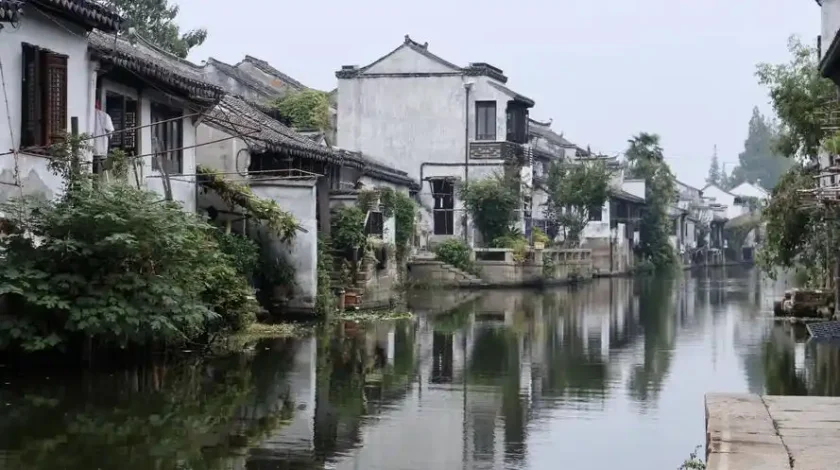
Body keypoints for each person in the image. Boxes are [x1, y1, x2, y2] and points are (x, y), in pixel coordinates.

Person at [93, 100, 114, 171]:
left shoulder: (85, 114)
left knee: (91, 166)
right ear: (98, 105)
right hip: (101, 148)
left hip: (89, 149)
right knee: (105, 168)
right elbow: (110, 132)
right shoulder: (105, 115)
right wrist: (109, 148)